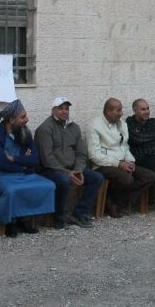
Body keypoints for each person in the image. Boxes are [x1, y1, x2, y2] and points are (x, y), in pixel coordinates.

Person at [0, 100, 56, 238]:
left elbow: (34, 158)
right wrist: (24, 163)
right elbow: (0, 162)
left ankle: (24, 218)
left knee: (48, 185)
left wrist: (16, 159)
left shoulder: (25, 133)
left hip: (23, 174)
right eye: (23, 117)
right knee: (11, 189)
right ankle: (9, 222)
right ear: (11, 120)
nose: (27, 120)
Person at [34, 97, 103, 229]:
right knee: (64, 180)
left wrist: (77, 170)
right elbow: (47, 158)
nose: (64, 112)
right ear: (53, 110)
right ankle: (59, 218)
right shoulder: (45, 128)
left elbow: (81, 153)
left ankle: (79, 212)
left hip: (72, 168)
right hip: (50, 169)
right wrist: (68, 173)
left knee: (97, 177)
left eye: (66, 108)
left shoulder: (74, 127)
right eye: (60, 108)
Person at [87, 98, 155, 218]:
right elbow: (94, 155)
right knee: (127, 179)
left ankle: (116, 202)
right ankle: (114, 203)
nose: (121, 113)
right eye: (118, 111)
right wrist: (118, 164)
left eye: (121, 110)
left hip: (123, 162)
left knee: (150, 176)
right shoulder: (95, 126)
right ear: (108, 111)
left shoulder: (122, 124)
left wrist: (130, 160)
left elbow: (125, 146)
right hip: (103, 165)